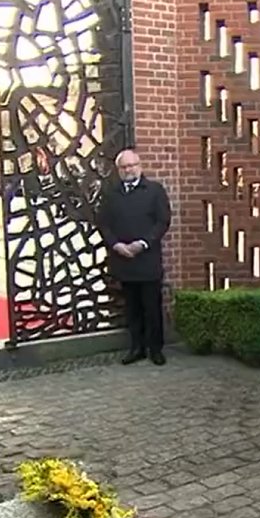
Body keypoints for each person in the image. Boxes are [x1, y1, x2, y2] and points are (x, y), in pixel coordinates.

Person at [96, 148, 172, 366]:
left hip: (147, 260)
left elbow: (162, 221)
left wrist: (143, 243)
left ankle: (155, 349)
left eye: (132, 165)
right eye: (124, 167)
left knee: (152, 308)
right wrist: (116, 245)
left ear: (140, 166)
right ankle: (136, 348)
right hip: (124, 260)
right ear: (119, 170)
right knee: (132, 309)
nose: (128, 170)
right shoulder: (111, 193)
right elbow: (103, 223)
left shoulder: (155, 191)